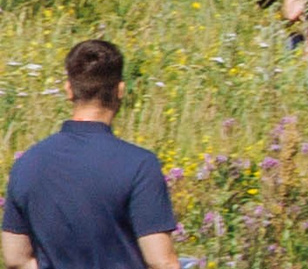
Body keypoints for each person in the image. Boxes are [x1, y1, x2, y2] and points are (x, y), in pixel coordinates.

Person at [1, 39, 178, 269]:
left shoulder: (27, 163)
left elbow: (15, 258)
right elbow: (161, 261)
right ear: (120, 90)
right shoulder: (140, 165)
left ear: (69, 90)